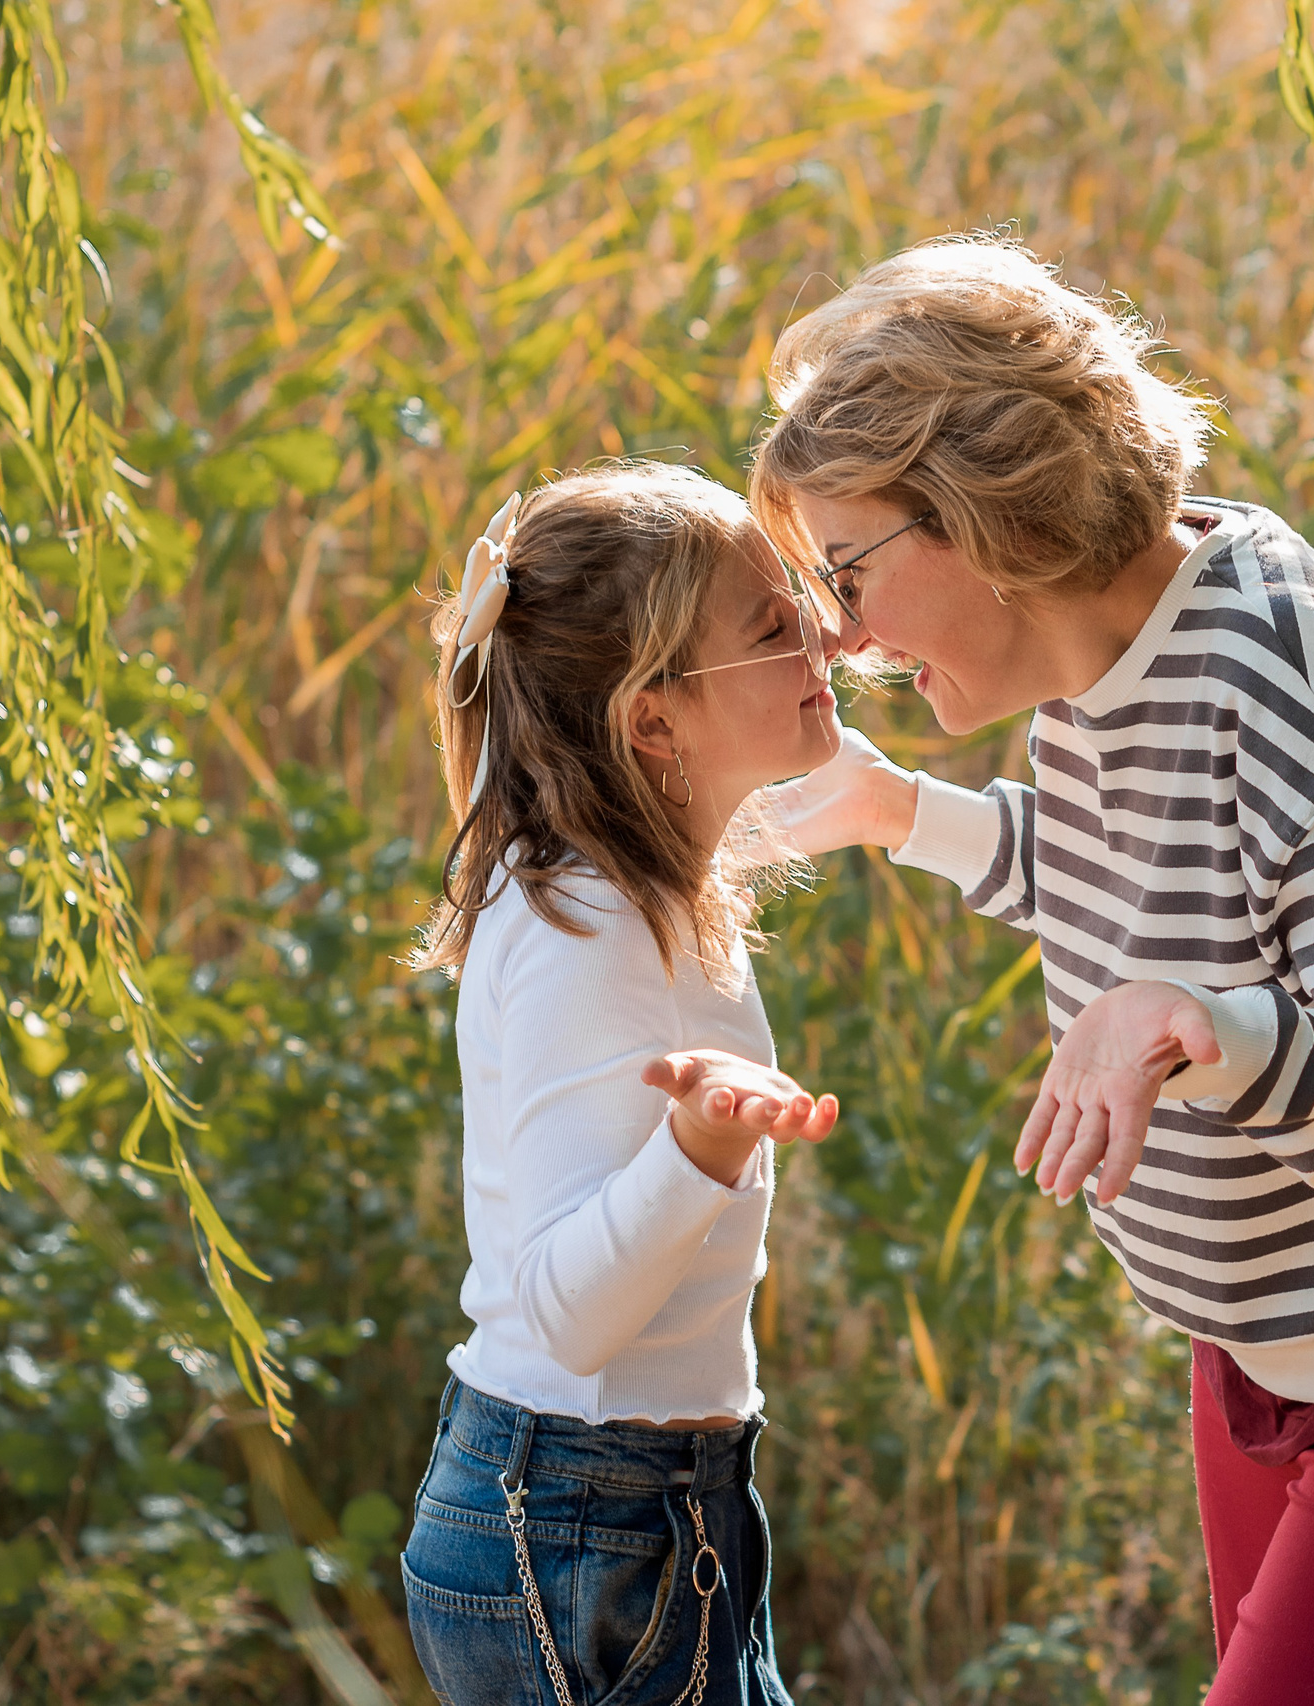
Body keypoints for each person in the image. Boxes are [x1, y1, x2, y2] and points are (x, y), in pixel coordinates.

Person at [757, 238, 1314, 1706]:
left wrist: (1198, 1024)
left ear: (978, 517)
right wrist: (904, 813)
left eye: (847, 572)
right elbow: (1164, 886)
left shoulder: (1283, 679)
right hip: (1270, 1353)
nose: (843, 634)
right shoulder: (1106, 651)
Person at [402, 462, 841, 1706]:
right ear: (652, 721)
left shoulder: (633, 882)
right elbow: (567, 1315)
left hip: (632, 1516)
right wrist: (698, 1149)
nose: (824, 634)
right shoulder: (586, 926)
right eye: (774, 624)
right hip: (587, 1533)